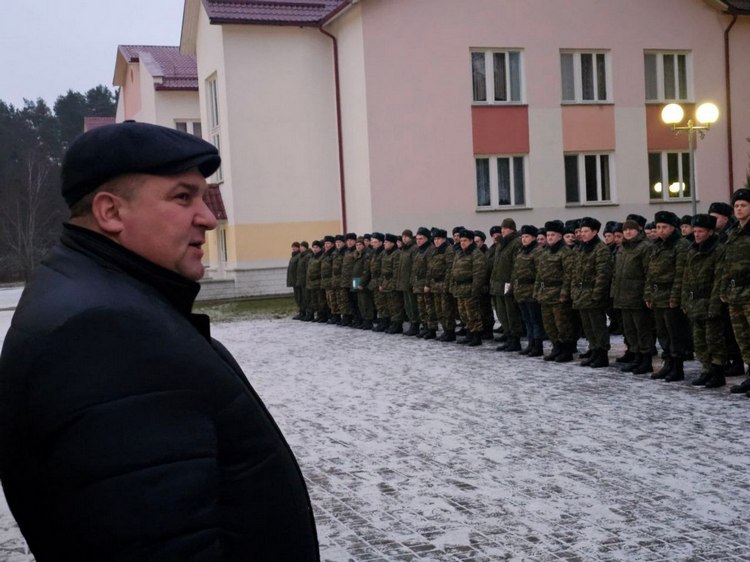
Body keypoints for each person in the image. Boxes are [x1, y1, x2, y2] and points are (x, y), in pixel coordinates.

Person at [0, 122, 319, 561]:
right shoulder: (104, 333)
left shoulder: (93, 291)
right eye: (182, 196)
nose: (208, 217)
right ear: (111, 213)